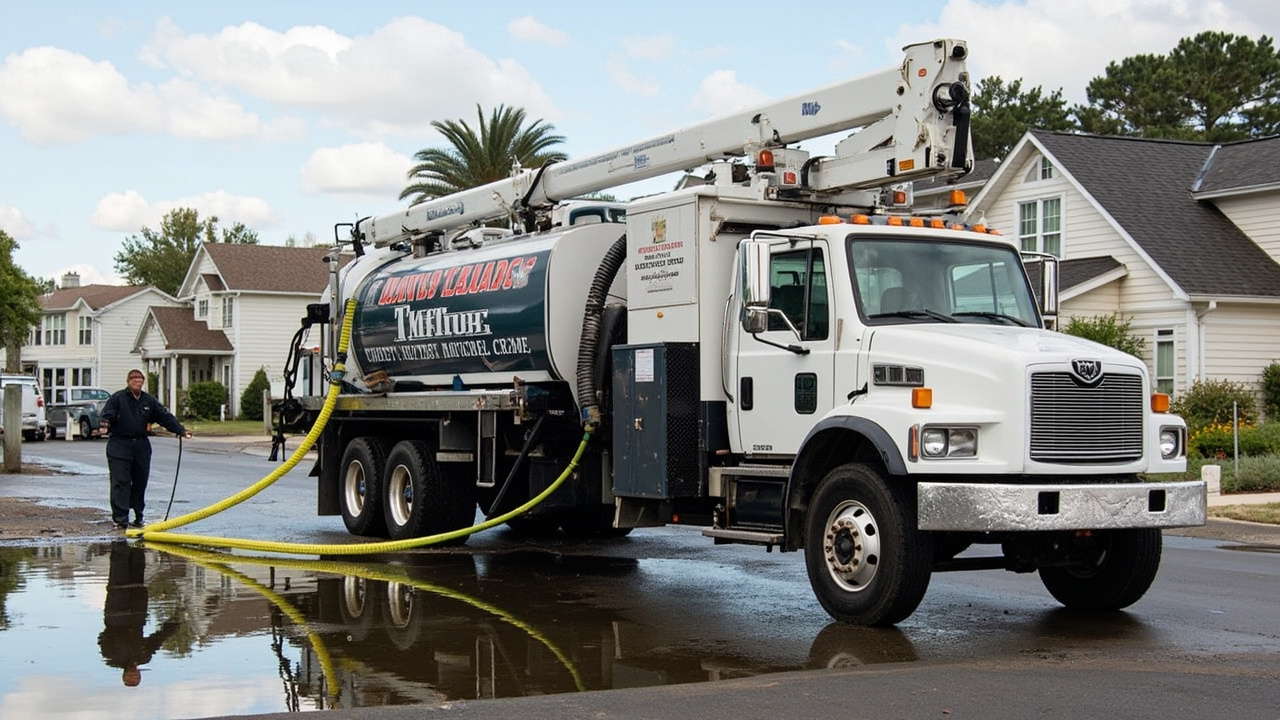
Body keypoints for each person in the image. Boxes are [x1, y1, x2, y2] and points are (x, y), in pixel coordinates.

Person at [100, 369, 191, 530]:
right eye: (134, 380)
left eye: (140, 380)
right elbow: (107, 415)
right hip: (120, 444)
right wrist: (105, 425)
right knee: (121, 482)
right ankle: (121, 518)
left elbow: (164, 416)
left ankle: (138, 515)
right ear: (128, 381)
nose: (137, 382)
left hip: (141, 445)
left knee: (140, 481)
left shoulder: (148, 401)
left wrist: (180, 430)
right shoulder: (118, 398)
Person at [98, 541, 179, 686]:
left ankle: (120, 540)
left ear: (124, 675)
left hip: (117, 605)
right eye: (135, 676)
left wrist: (115, 629)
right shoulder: (143, 656)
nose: (133, 673)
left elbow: (102, 637)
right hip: (137, 604)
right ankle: (138, 541)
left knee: (119, 563)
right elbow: (158, 639)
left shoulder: (112, 657)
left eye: (130, 676)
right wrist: (174, 624)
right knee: (138, 562)